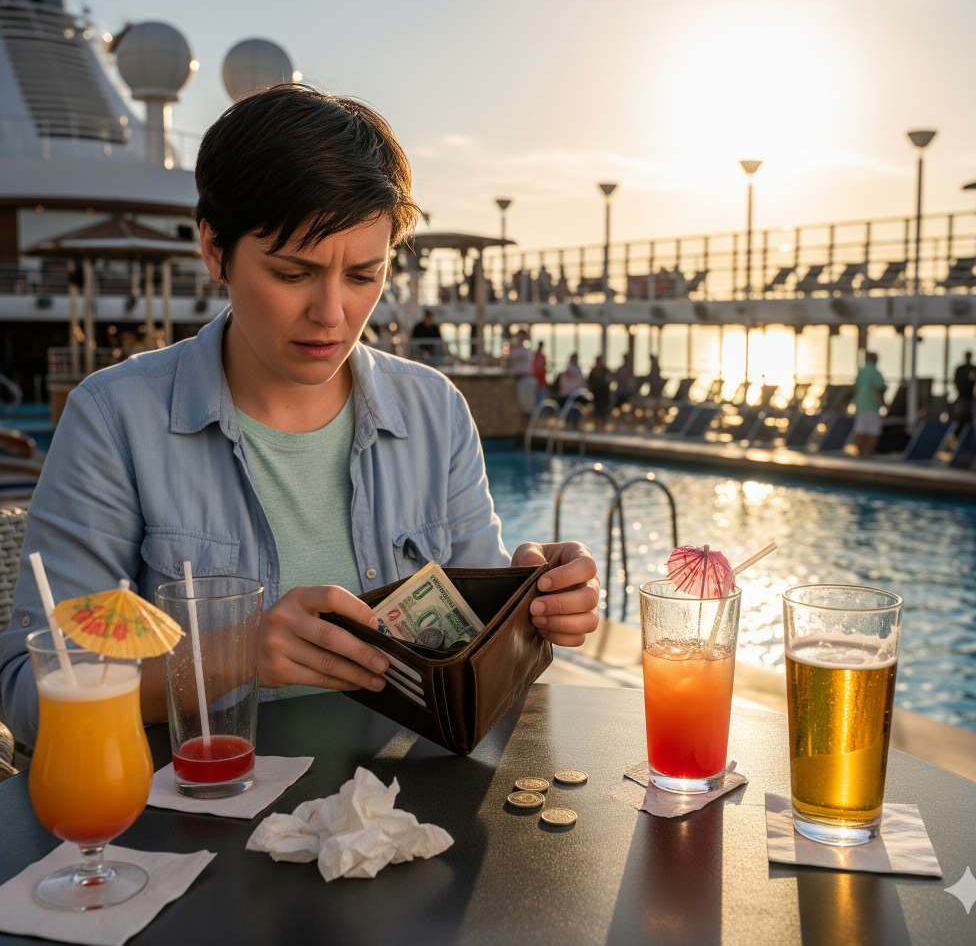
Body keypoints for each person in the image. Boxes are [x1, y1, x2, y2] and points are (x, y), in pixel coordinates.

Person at [0, 87, 600, 745]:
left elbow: (478, 662)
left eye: (364, 275)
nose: (332, 312)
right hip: (201, 829)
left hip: (403, 816)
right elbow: (27, 697)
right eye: (292, 273)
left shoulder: (436, 413)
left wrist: (534, 612)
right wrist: (232, 654)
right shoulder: (115, 420)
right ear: (214, 249)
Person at [853, 351, 887, 457]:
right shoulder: (875, 372)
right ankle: (869, 453)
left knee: (861, 429)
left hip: (860, 404)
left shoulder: (861, 371)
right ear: (874, 359)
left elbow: (856, 387)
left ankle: (860, 453)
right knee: (873, 431)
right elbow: (879, 389)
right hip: (872, 406)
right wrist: (884, 404)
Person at [508, 329, 537, 414]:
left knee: (526, 405)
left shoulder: (526, 350)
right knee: (522, 405)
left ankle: (529, 424)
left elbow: (514, 357)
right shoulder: (517, 348)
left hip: (525, 379)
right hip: (519, 379)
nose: (518, 338)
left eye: (520, 335)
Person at [952, 351, 976, 432]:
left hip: (971, 395)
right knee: (959, 413)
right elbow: (956, 381)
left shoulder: (974, 368)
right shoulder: (960, 369)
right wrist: (958, 390)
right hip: (962, 395)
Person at [587, 356, 611, 422]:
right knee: (596, 411)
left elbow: (609, 381)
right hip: (596, 394)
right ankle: (597, 425)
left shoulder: (606, 371)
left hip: (604, 394)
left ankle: (603, 426)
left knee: (604, 411)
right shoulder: (593, 371)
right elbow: (589, 382)